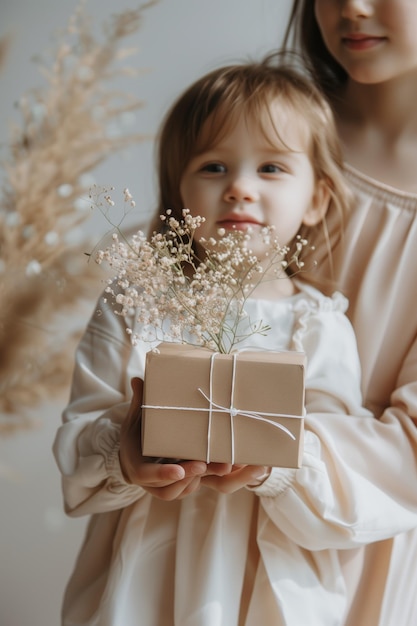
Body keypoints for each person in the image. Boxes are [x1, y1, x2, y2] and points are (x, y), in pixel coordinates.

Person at [53, 55, 374, 626]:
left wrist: (274, 465)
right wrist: (125, 455)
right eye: (214, 167)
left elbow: (340, 461)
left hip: (269, 581)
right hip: (146, 572)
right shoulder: (137, 304)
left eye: (271, 168)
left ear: (318, 200)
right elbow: (80, 435)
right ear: (178, 193)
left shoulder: (320, 326)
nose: (241, 189)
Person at [282, 2, 417, 625]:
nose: (353, 6)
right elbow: (159, 315)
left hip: (358, 553)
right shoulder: (261, 125)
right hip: (194, 521)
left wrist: (270, 456)